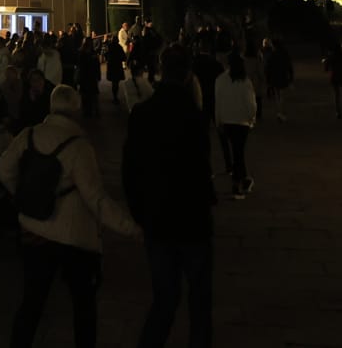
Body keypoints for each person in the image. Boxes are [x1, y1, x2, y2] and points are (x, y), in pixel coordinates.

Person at [0, 84, 138, 348]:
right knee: (83, 305)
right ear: (76, 109)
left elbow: (4, 167)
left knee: (32, 302)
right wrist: (131, 227)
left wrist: (24, 195)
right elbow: (96, 199)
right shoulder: (79, 147)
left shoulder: (29, 135)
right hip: (73, 236)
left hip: (33, 229)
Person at [124, 47, 213, 348]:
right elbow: (202, 167)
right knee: (199, 297)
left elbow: (130, 170)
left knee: (164, 297)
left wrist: (139, 212)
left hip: (157, 217)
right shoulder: (195, 116)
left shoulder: (142, 113)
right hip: (192, 217)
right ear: (188, 73)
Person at [214, 52, 258, 199]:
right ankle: (237, 184)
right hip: (242, 122)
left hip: (227, 121)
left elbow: (218, 103)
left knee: (237, 151)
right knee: (238, 152)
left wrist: (218, 120)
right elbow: (250, 103)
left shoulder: (220, 80)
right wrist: (252, 118)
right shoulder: (245, 81)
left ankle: (244, 179)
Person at [264, 38, 293, 121]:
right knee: (282, 95)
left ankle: (280, 112)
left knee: (277, 96)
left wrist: (268, 79)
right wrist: (291, 77)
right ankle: (281, 112)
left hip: (275, 77)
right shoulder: (284, 53)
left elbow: (268, 68)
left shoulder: (272, 54)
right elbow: (289, 66)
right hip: (283, 76)